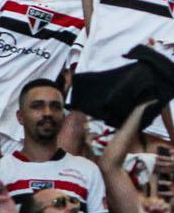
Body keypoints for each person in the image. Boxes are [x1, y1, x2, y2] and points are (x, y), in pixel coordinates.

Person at [0, 79, 108, 213]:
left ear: (63, 116)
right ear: (20, 117)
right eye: (38, 106)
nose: (47, 113)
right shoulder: (3, 170)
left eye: (55, 107)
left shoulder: (88, 170)